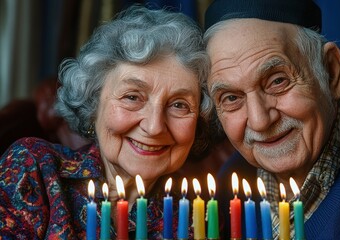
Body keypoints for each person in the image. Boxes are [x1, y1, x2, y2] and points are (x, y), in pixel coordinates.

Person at [203, 0, 340, 239]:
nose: (260, 121)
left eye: (278, 81)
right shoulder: (233, 182)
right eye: (231, 98)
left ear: (330, 72)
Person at [0, 4, 212, 239]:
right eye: (132, 97)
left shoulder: (199, 213)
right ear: (94, 104)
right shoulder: (35, 168)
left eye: (179, 105)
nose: (154, 127)